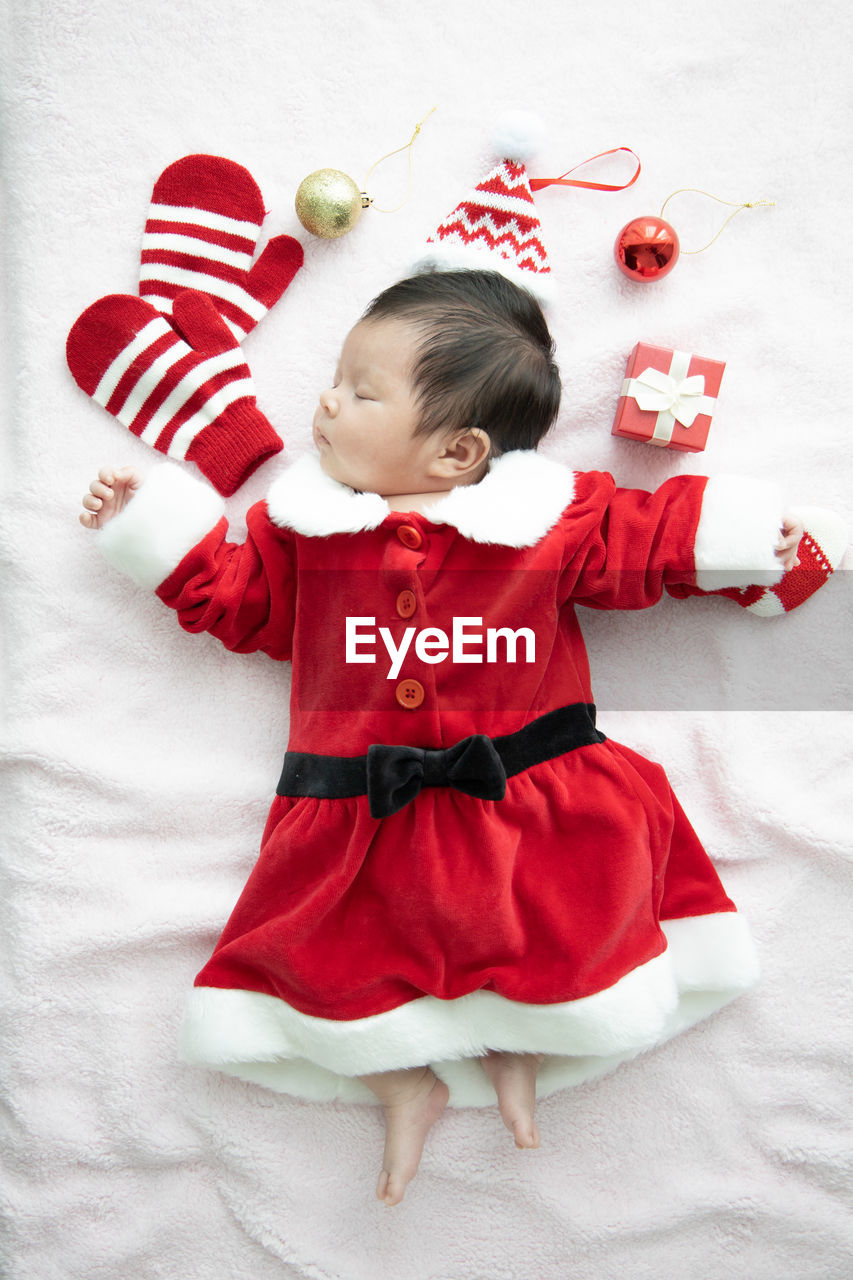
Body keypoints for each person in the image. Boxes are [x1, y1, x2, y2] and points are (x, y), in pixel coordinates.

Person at [80, 269, 803, 1207]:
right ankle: (401, 1080)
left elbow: (638, 537)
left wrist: (740, 535)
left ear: (459, 452)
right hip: (356, 802)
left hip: (529, 786)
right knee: (333, 967)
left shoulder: (540, 522)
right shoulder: (305, 534)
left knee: (545, 930)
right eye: (337, 378)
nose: (326, 400)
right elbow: (242, 604)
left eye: (360, 390)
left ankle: (518, 1050)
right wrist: (155, 531)